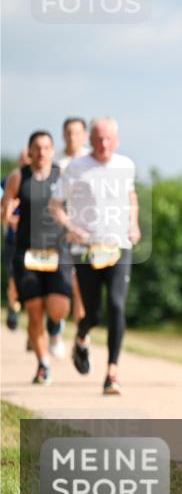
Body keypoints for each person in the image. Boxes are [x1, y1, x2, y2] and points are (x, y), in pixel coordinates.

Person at [50, 118, 140, 395]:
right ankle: (81, 337)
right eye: (99, 139)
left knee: (116, 305)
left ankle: (112, 373)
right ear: (91, 139)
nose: (104, 144)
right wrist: (70, 228)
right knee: (94, 315)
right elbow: (56, 205)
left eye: (109, 139)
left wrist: (133, 223)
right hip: (86, 250)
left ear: (117, 140)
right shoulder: (75, 167)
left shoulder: (126, 165)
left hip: (118, 247)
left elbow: (131, 197)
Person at [1, 131, 72, 384]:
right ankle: (43, 365)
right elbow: (4, 211)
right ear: (29, 151)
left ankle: (56, 328)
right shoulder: (18, 177)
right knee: (34, 311)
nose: (41, 152)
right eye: (36, 148)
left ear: (53, 150)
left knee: (57, 310)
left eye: (46, 147)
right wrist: (8, 215)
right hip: (27, 254)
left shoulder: (62, 177)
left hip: (57, 252)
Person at [55, 116, 91, 341]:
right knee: (61, 281)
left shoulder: (91, 160)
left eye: (77, 132)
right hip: (56, 228)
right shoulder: (55, 161)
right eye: (68, 132)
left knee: (81, 283)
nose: (72, 137)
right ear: (63, 134)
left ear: (85, 135)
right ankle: (55, 323)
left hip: (83, 229)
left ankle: (82, 335)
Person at [2, 149, 30, 332]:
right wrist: (12, 220)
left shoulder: (44, 181)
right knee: (14, 278)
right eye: (23, 158)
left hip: (38, 242)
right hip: (14, 241)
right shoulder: (6, 182)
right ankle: (14, 309)